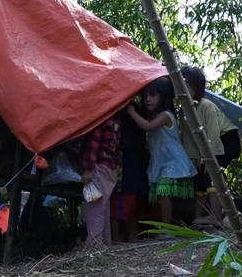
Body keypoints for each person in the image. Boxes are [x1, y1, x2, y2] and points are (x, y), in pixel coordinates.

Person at [126, 77, 197, 231]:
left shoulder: (166, 115)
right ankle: (163, 226)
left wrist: (131, 112)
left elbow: (148, 127)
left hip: (172, 161)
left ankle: (167, 228)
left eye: (152, 95)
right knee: (159, 196)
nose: (147, 100)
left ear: (164, 96)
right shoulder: (153, 115)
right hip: (160, 161)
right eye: (145, 96)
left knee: (163, 194)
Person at [179, 66, 242, 227]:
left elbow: (213, 133)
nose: (180, 89)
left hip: (227, 139)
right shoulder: (183, 111)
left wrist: (211, 157)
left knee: (213, 175)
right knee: (200, 177)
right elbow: (190, 137)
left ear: (196, 87)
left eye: (185, 85)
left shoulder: (206, 106)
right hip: (206, 145)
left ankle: (217, 217)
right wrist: (196, 157)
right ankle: (196, 219)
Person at [110, 102, 150, 243]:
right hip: (123, 169)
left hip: (130, 168)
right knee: (121, 205)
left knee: (129, 204)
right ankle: (120, 239)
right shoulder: (124, 114)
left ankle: (128, 237)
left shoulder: (132, 112)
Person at [79, 115, 121, 245]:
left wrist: (88, 168)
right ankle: (105, 246)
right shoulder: (116, 119)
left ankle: (94, 248)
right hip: (109, 167)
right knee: (103, 209)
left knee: (95, 210)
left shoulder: (102, 117)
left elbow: (94, 143)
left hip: (98, 167)